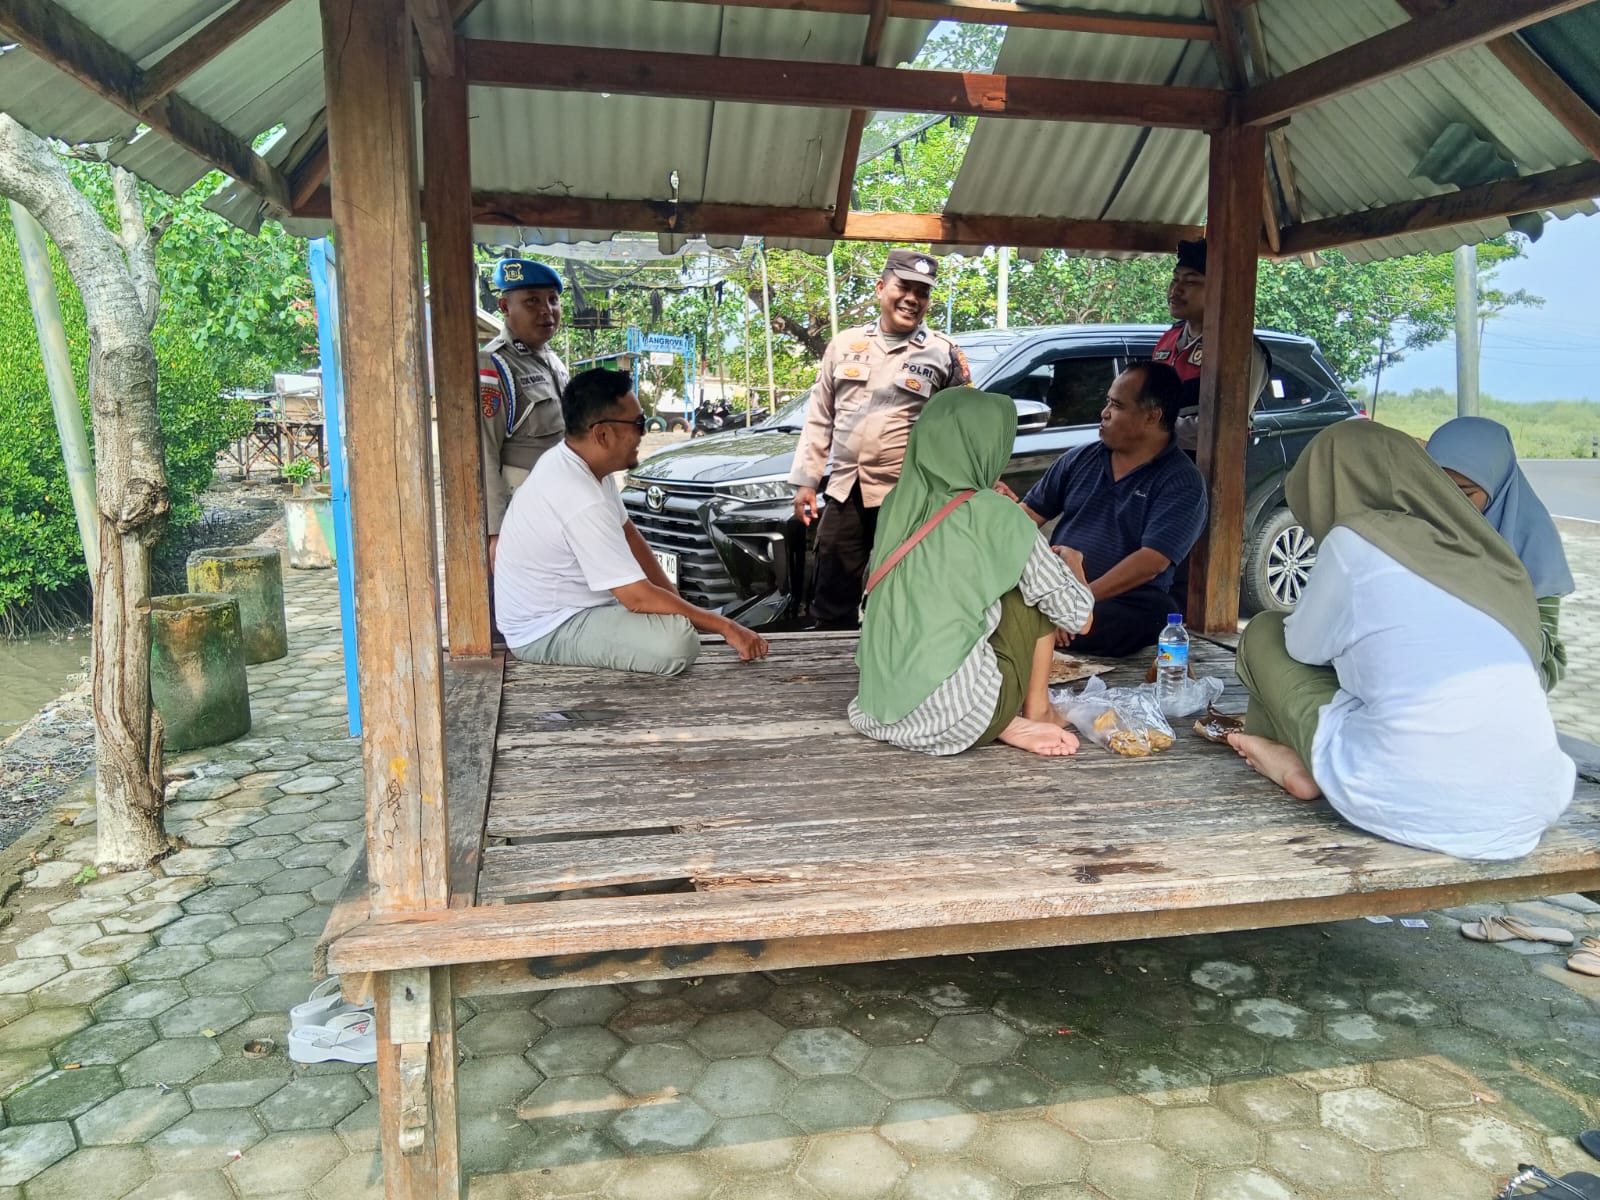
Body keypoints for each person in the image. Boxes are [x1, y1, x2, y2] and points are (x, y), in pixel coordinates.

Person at [1229, 420, 1574, 861]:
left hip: (1405, 797)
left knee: (1266, 633)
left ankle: (1295, 758)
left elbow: (1302, 649)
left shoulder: (1353, 539)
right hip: (1530, 806)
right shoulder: (1495, 557)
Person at [849, 388, 1095, 757]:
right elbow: (1080, 618)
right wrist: (1072, 561)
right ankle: (1031, 711)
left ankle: (1002, 715)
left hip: (878, 710)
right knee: (1030, 587)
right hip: (956, 717)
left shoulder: (897, 505)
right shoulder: (998, 515)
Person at [494, 368, 770, 675]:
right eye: (638, 424)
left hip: (578, 608)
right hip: (545, 629)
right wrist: (725, 626)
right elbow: (636, 597)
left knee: (675, 616)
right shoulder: (579, 496)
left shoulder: (583, 463)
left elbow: (630, 536)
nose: (644, 433)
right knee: (677, 643)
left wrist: (677, 601)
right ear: (602, 434)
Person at [789, 248, 971, 629]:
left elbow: (963, 427)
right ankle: (827, 677)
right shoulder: (844, 345)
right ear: (880, 289)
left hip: (908, 496)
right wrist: (807, 481)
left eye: (922, 293)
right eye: (904, 287)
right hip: (845, 490)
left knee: (905, 596)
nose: (912, 299)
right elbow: (820, 416)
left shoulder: (943, 353)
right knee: (832, 595)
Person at [1016, 361, 1207, 658]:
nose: (1104, 413)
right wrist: (1002, 517)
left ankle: (1043, 632)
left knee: (1158, 613)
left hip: (1118, 601)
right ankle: (1048, 629)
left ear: (1152, 416)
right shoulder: (1080, 459)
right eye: (1107, 402)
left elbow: (1152, 561)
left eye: (1116, 405)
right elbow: (1028, 515)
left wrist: (1081, 602)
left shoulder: (1182, 481)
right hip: (1054, 587)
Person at [1426, 416, 1575, 692]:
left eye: (1464, 492)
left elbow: (1543, 644)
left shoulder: (1533, 537)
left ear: (1497, 482)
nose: (1448, 503)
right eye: (1435, 489)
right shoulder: (1417, 522)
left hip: (1511, 670)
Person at [479, 257, 570, 570]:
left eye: (553, 300)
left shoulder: (552, 362)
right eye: (532, 300)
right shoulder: (494, 364)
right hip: (523, 518)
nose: (546, 310)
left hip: (560, 515)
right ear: (504, 307)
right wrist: (495, 533)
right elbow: (484, 453)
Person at [1155, 238, 1270, 454]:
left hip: (1207, 472)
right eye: (1175, 279)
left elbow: (1224, 426)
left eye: (1191, 281)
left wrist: (1152, 429)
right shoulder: (1168, 339)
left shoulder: (1240, 349)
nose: (1176, 290)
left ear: (1219, 288)